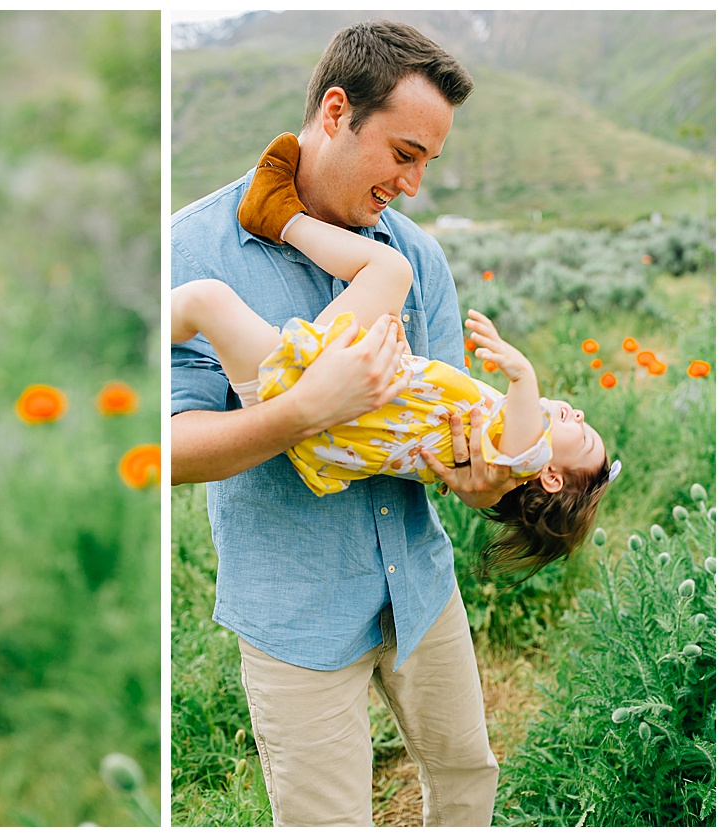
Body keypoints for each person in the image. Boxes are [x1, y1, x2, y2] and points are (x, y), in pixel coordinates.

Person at [171, 20, 507, 826]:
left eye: (428, 160)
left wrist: (479, 477)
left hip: (421, 585)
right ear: (334, 111)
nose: (414, 183)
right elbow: (167, 449)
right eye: (403, 154)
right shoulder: (193, 250)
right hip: (296, 609)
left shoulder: (415, 255)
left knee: (467, 778)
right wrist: (302, 412)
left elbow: (432, 414)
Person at [175, 132, 617, 579]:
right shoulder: (486, 431)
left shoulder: (514, 452)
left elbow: (522, 445)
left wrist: (522, 376)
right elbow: (414, 410)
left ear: (551, 477)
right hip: (309, 412)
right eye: (405, 154)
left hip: (311, 394)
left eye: (582, 438)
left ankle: (279, 216)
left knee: (390, 268)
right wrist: (407, 365)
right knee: (205, 302)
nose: (578, 415)